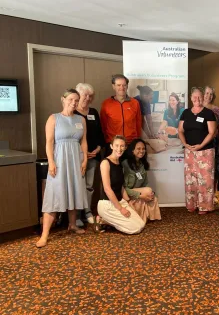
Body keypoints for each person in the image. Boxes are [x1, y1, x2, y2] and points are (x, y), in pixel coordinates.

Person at [36, 89, 88, 248]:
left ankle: (72, 225)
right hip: (59, 160)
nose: (74, 102)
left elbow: (84, 141)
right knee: (54, 195)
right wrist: (51, 162)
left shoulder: (81, 119)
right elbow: (49, 142)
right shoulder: (54, 118)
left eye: (77, 100)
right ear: (63, 99)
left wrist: (85, 160)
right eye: (71, 99)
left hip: (76, 159)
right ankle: (44, 235)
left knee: (73, 190)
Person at [178, 87, 217, 214]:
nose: (197, 99)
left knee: (205, 180)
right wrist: (185, 144)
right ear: (190, 98)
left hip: (205, 151)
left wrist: (200, 146)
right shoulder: (186, 113)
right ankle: (192, 204)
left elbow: (212, 133)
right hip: (189, 151)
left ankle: (204, 206)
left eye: (199, 96)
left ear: (203, 97)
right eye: (194, 97)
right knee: (191, 179)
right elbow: (180, 131)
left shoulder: (208, 113)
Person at [96, 135, 145, 234]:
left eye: (122, 146)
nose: (119, 149)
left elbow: (121, 186)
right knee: (134, 229)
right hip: (107, 204)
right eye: (117, 145)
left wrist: (128, 202)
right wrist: (121, 209)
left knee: (141, 224)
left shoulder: (120, 163)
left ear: (125, 148)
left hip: (120, 201)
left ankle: (106, 221)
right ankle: (101, 220)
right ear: (111, 146)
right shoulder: (105, 163)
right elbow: (107, 189)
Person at [74, 83, 105, 225]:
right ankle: (77, 214)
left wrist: (98, 149)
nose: (87, 98)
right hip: (77, 156)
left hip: (93, 156)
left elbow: (100, 134)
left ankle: (87, 211)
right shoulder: (72, 113)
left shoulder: (93, 112)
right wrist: (83, 151)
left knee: (89, 185)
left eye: (90, 95)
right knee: (77, 185)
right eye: (84, 94)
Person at [122, 139, 161, 223]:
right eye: (138, 149)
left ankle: (147, 217)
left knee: (150, 192)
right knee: (148, 191)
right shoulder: (125, 164)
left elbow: (145, 183)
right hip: (127, 193)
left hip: (138, 191)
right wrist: (140, 195)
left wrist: (149, 193)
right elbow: (123, 189)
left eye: (143, 149)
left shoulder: (141, 164)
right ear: (132, 150)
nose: (142, 151)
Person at [100, 74, 142, 146]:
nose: (122, 88)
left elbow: (138, 123)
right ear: (113, 86)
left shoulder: (135, 103)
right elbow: (103, 125)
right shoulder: (106, 104)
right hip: (113, 144)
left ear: (127, 86)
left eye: (124, 85)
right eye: (118, 85)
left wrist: (137, 140)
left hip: (131, 143)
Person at [203, 85, 219, 205]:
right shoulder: (197, 108)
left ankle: (213, 194)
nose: (208, 96)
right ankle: (203, 193)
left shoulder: (217, 110)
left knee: (213, 169)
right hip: (201, 142)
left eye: (211, 94)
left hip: (214, 142)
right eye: (206, 93)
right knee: (203, 169)